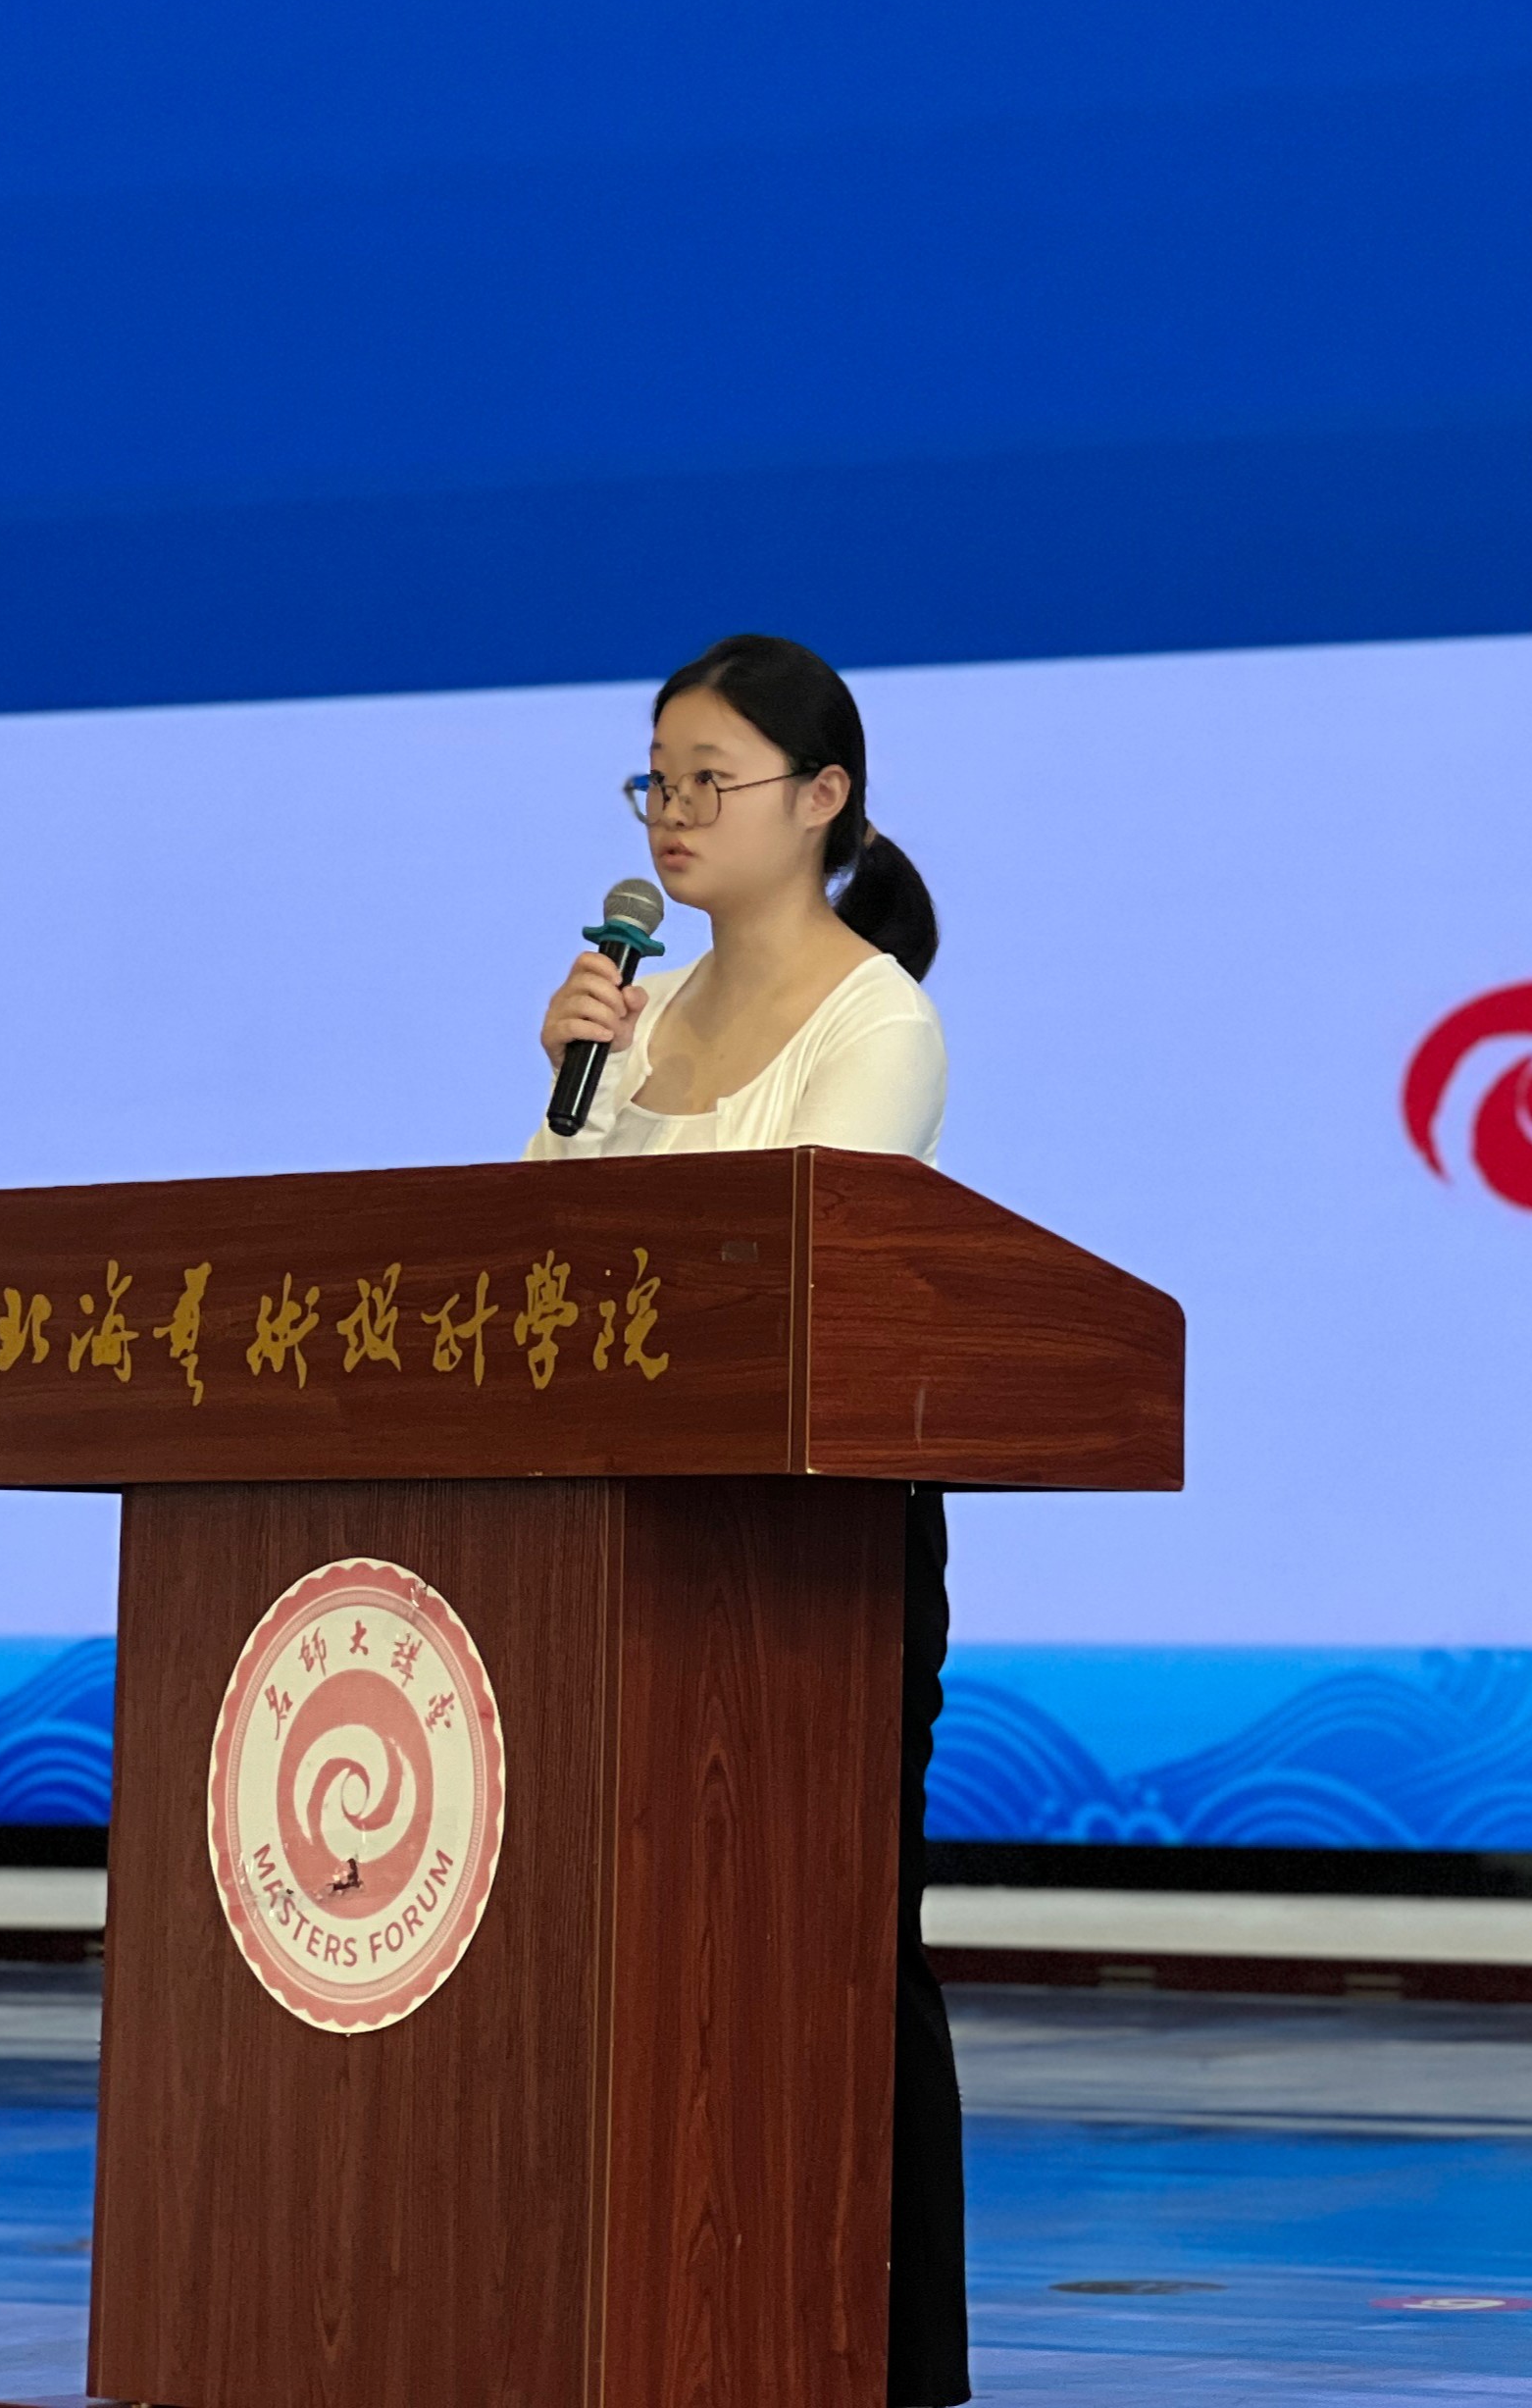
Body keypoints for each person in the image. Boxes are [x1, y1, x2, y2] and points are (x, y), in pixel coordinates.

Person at [529, 632, 968, 2408]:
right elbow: (546, 1289)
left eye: (713, 779)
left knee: (832, 1949)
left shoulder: (882, 1021)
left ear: (823, 800)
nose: (675, 810)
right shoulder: (626, 1022)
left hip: (813, 1554)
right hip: (626, 1546)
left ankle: (891, 2356)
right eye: (658, 778)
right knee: (642, 1950)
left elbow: (803, 1287)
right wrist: (570, 1098)